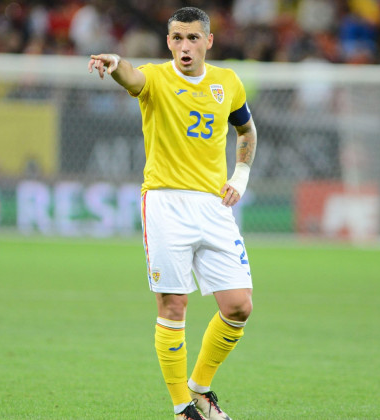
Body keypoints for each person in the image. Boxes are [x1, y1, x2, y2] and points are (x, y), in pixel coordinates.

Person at [88, 7, 257, 420]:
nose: (185, 47)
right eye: (178, 38)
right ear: (168, 43)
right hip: (165, 203)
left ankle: (199, 387)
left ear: (209, 41)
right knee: (173, 306)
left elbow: (246, 130)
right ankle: (182, 407)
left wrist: (242, 175)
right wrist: (114, 65)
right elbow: (132, 75)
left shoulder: (227, 83)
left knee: (239, 306)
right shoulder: (156, 78)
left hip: (214, 206)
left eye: (194, 38)